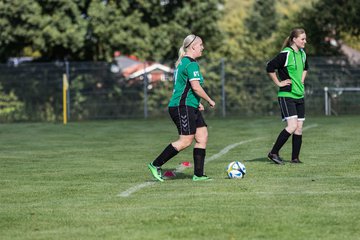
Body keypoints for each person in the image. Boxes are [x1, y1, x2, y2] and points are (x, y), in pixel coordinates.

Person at [148, 34, 216, 181]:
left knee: (202, 136)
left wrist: (196, 102)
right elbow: (196, 88)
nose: (202, 48)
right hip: (182, 107)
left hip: (189, 105)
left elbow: (184, 87)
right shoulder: (191, 64)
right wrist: (209, 100)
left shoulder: (183, 63)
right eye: (201, 45)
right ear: (193, 47)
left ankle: (198, 175)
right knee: (185, 140)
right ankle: (155, 164)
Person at [266, 28, 309, 164]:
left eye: (305, 39)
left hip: (299, 94)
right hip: (287, 94)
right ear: (294, 39)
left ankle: (295, 158)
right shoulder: (286, 54)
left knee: (299, 127)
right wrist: (279, 83)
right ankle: (273, 153)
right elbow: (269, 67)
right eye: (302, 39)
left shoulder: (302, 54)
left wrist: (301, 79)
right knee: (292, 126)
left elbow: (306, 68)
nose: (305, 41)